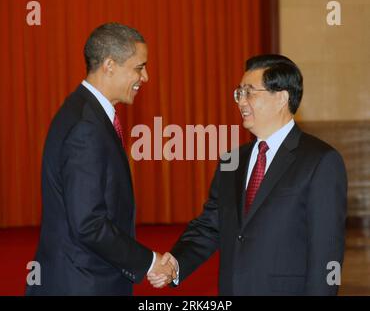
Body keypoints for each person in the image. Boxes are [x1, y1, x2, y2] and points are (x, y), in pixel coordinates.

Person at [148, 54, 347, 295]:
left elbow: (326, 252)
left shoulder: (320, 161)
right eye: (238, 93)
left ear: (281, 98)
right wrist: (175, 264)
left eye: (249, 92)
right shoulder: (231, 160)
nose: (241, 102)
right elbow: (210, 226)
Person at [26, 23, 175, 296]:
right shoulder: (87, 125)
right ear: (109, 65)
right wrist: (150, 262)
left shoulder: (84, 111)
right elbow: (88, 223)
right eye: (139, 67)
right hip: (82, 282)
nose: (146, 77)